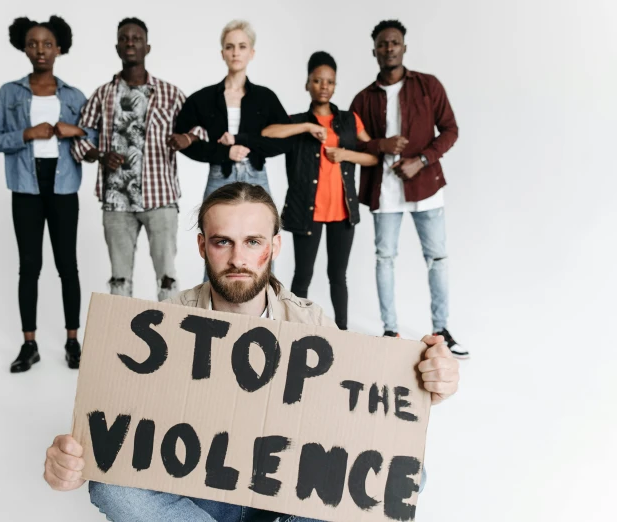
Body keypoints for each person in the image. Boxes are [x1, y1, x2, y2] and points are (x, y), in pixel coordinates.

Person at [42, 182, 461, 521]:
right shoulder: (162, 322)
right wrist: (73, 458)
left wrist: (425, 381)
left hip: (282, 498)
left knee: (408, 475)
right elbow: (118, 422)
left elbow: (356, 419)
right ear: (202, 246)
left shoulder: (310, 323)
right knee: (111, 487)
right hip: (200, 492)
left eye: (253, 241)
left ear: (274, 248)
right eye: (223, 242)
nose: (238, 259)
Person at [350, 20, 468, 358]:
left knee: (438, 258)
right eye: (383, 44)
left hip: (426, 187)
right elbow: (353, 144)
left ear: (404, 47)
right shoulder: (362, 99)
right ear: (374, 50)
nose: (389, 48)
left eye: (395, 42)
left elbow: (450, 130)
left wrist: (422, 160)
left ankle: (441, 330)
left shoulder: (428, 86)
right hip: (383, 191)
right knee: (384, 258)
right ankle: (390, 331)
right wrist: (380, 144)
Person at [0, 16, 87, 373]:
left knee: (67, 266)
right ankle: (29, 345)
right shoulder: (10, 93)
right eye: (32, 43)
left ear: (59, 48)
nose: (40, 50)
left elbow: (95, 140)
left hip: (63, 187)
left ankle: (73, 342)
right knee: (29, 267)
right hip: (25, 187)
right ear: (23, 47)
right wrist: (26, 134)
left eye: (47, 44)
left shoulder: (74, 96)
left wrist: (76, 130)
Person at [71, 18, 201, 301]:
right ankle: (119, 340)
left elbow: (201, 126)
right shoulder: (103, 94)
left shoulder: (170, 93)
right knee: (119, 278)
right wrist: (100, 156)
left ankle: (172, 338)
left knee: (167, 275)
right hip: (116, 200)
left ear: (147, 46)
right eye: (124, 38)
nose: (130, 42)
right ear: (117, 47)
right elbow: (79, 140)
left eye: (136, 38)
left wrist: (186, 139)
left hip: (161, 197)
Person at [261, 51, 378, 330]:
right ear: (307, 84)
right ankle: (295, 331)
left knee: (338, 275)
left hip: (342, 210)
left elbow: (373, 156)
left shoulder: (350, 120)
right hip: (307, 211)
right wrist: (306, 127)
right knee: (303, 275)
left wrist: (345, 154)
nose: (324, 86)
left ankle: (343, 332)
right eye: (317, 80)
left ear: (335, 85)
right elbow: (266, 133)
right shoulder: (297, 121)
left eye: (330, 81)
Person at [174, 20, 292, 199]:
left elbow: (286, 141)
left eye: (242, 46)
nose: (236, 52)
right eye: (230, 47)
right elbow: (180, 140)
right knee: (213, 227)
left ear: (251, 53)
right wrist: (224, 153)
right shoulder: (203, 98)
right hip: (219, 175)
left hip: (256, 175)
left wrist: (249, 144)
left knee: (263, 227)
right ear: (222, 53)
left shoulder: (265, 97)